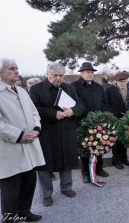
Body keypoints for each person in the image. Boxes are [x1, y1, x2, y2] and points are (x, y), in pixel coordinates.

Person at [30, 63, 85, 206]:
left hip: (67, 131)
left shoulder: (69, 88)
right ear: (48, 73)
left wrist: (72, 111)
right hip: (47, 133)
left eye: (61, 75)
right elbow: (34, 109)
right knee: (45, 164)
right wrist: (54, 114)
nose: (58, 78)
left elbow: (80, 105)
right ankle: (46, 194)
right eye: (55, 75)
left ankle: (66, 187)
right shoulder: (37, 89)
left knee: (66, 160)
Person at [0, 58, 45, 222]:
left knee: (29, 182)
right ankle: (10, 217)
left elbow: (34, 113)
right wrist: (19, 135)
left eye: (17, 68)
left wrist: (36, 129)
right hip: (9, 148)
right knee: (10, 187)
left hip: (30, 144)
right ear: (0, 73)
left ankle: (24, 212)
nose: (17, 71)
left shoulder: (22, 91)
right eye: (11, 69)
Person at [71, 62, 109, 183]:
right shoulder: (74, 86)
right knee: (85, 148)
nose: (90, 74)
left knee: (100, 144)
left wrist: (101, 116)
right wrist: (88, 115)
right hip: (83, 122)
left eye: (92, 72)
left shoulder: (98, 87)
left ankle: (99, 168)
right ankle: (86, 173)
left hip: (98, 121)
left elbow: (103, 102)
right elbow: (74, 104)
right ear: (81, 73)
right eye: (88, 72)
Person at [105, 71, 129, 170]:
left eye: (125, 81)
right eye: (121, 81)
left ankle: (124, 158)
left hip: (126, 117)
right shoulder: (109, 89)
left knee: (124, 139)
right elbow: (105, 102)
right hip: (115, 117)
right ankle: (116, 160)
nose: (123, 83)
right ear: (116, 81)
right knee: (115, 140)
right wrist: (110, 114)